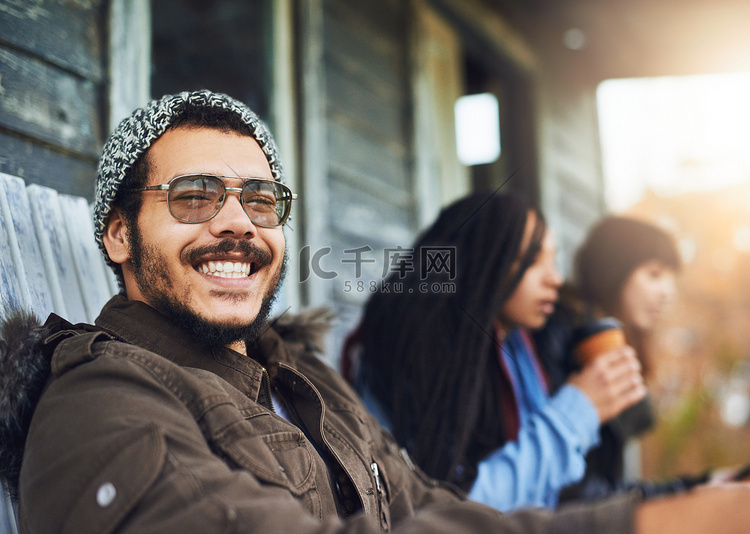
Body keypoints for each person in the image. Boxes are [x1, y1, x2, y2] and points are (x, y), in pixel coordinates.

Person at [1, 89, 750, 534]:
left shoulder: (307, 381)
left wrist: (670, 514)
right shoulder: (98, 403)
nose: (238, 223)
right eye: (194, 195)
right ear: (119, 232)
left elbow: (438, 508)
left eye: (261, 200)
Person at [345, 192, 649, 512]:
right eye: (532, 261)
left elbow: (558, 494)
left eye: (553, 260)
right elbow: (452, 511)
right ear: (478, 261)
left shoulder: (516, 343)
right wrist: (576, 412)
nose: (555, 280)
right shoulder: (417, 355)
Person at [534, 216, 689, 502]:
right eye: (654, 274)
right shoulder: (565, 332)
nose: (668, 292)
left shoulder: (616, 334)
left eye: (670, 278)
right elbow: (575, 486)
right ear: (612, 270)